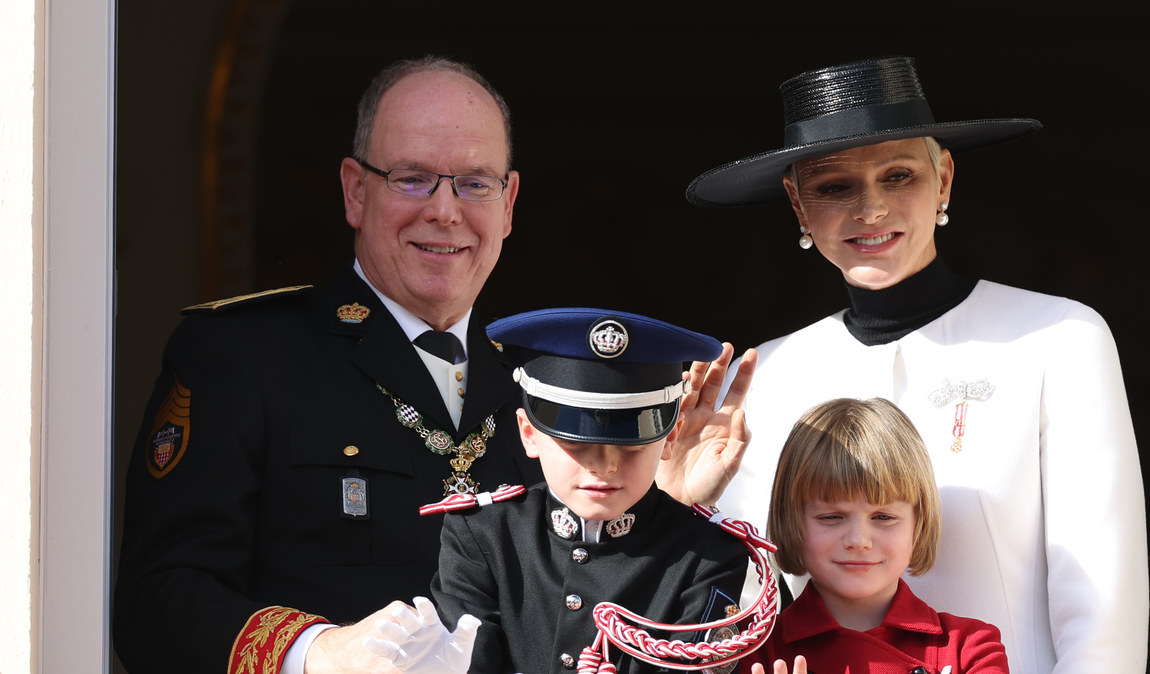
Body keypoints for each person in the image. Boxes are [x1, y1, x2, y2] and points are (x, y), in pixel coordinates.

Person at [113, 56, 752, 674]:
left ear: (508, 203)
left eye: (475, 183)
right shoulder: (246, 357)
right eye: (413, 178)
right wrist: (316, 654)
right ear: (355, 191)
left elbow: (572, 618)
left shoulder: (545, 380)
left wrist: (651, 506)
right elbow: (156, 605)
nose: (445, 210)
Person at [685, 56, 1148, 674]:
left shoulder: (1057, 338)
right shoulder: (764, 374)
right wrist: (673, 507)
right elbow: (741, 615)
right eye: (834, 186)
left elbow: (1103, 611)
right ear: (797, 205)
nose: (871, 209)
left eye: (898, 175)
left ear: (944, 180)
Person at [365, 307, 757, 674]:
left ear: (669, 440)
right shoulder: (483, 535)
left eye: (632, 446)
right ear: (529, 434)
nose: (604, 465)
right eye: (577, 444)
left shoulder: (710, 556)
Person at [743, 397, 1008, 674]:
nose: (859, 541)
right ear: (791, 521)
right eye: (831, 517)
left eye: (884, 517)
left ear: (919, 524)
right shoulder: (756, 653)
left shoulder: (971, 648)